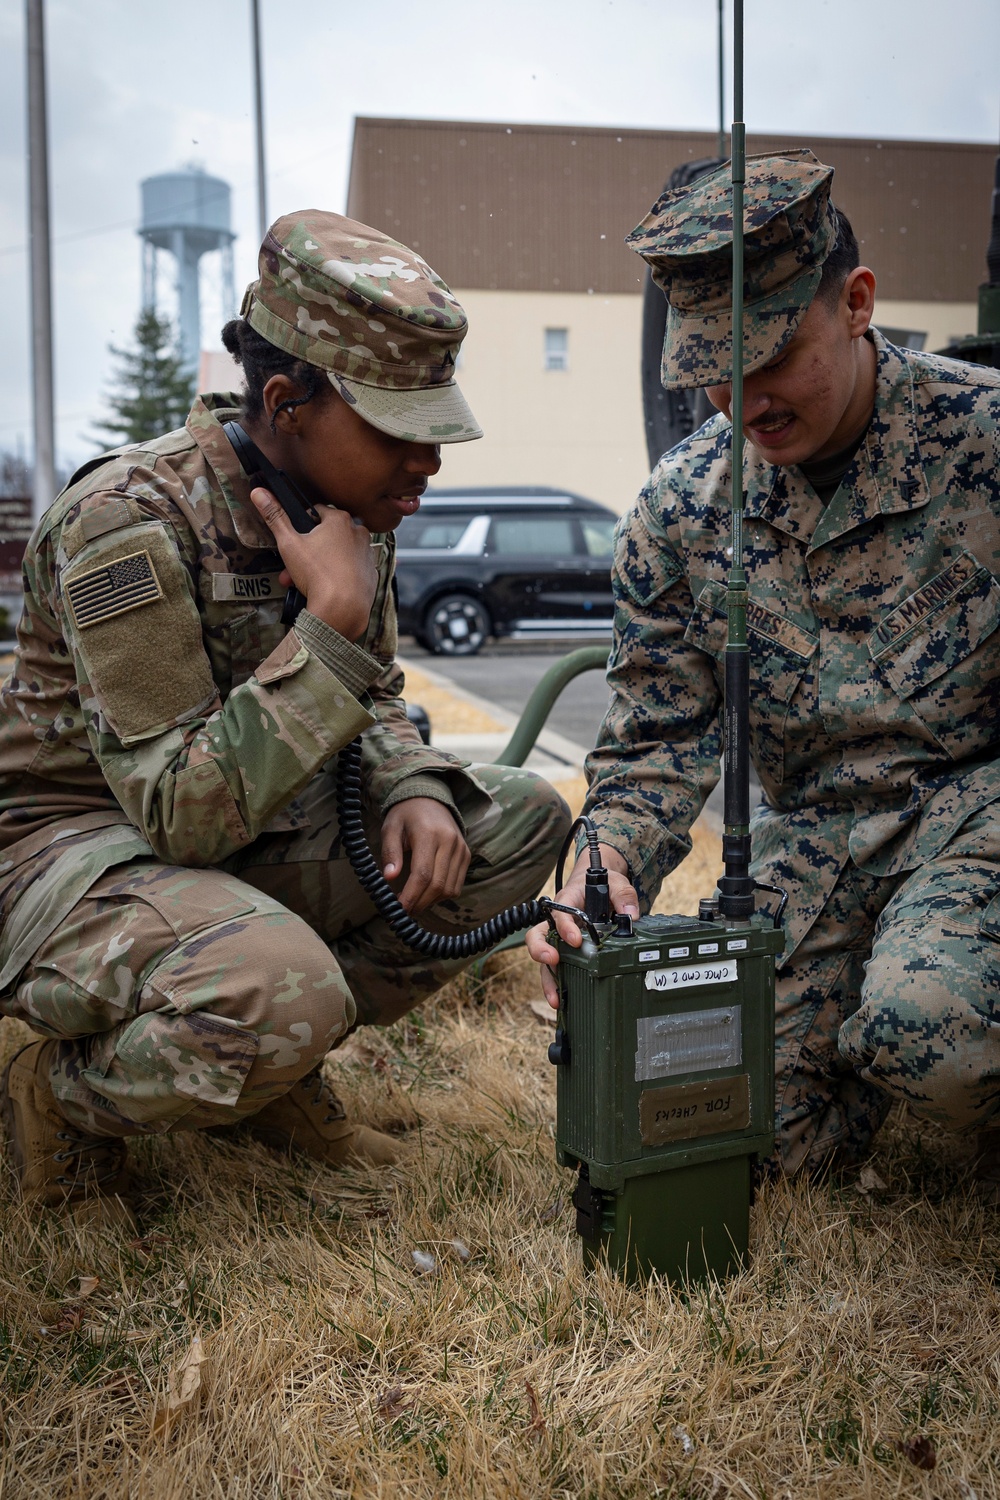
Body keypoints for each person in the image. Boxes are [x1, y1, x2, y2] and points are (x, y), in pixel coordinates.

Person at [0, 210, 570, 1219]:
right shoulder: (126, 523)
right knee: (277, 985)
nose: (427, 462)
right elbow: (174, 810)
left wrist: (410, 784)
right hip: (71, 849)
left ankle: (264, 1074)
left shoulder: (351, 515)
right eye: (399, 428)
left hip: (231, 834)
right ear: (285, 403)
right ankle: (60, 1098)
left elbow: (378, 697)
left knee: (517, 819)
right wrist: (331, 631)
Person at [528, 149, 1000, 1185]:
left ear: (857, 303)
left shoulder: (986, 442)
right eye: (710, 367)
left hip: (979, 813)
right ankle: (874, 1058)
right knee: (735, 1128)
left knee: (933, 1030)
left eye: (770, 354)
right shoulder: (683, 508)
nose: (741, 399)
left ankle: (926, 1044)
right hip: (820, 845)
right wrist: (600, 865)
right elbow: (656, 737)